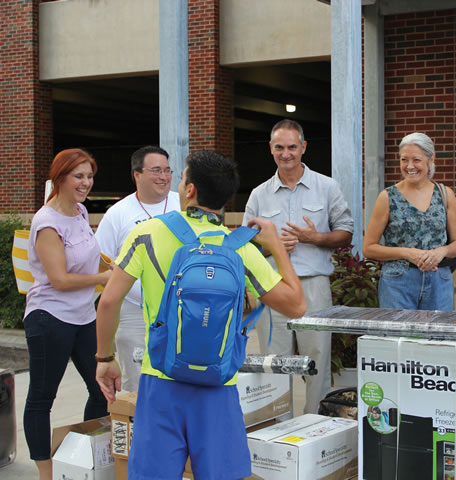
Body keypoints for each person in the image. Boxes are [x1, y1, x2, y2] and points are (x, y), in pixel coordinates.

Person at [95, 150, 306, 480]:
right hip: (218, 384)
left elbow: (108, 302)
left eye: (181, 178)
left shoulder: (146, 233)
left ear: (190, 190)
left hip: (161, 379)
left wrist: (105, 357)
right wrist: (277, 246)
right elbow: (296, 305)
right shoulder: (239, 248)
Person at [243, 119, 353, 415]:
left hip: (313, 285)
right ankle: (278, 425)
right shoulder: (258, 194)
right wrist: (272, 247)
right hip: (272, 287)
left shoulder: (327, 187)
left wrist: (312, 237)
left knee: (316, 356)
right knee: (274, 359)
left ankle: (315, 424)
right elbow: (245, 246)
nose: (286, 153)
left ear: (303, 147)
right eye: (279, 147)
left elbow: (346, 232)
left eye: (292, 147)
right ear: (271, 149)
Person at [23, 148, 111, 480]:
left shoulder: (79, 211)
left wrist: (107, 263)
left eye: (89, 176)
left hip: (84, 316)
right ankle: (46, 473)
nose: (86, 183)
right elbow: (59, 279)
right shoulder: (46, 222)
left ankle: (85, 455)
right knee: (42, 397)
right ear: (60, 178)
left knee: (102, 388)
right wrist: (102, 279)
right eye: (79, 176)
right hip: (50, 318)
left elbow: (86, 249)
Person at [95, 145, 180, 392]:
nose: (163, 177)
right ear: (137, 174)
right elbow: (103, 260)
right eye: (156, 170)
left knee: (178, 382)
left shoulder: (182, 204)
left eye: (167, 170)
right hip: (134, 314)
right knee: (138, 385)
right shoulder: (118, 214)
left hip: (179, 311)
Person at [363, 132, 456, 311]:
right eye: (404, 160)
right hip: (398, 280)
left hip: (439, 279)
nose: (410, 166)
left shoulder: (445, 194)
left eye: (416, 160)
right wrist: (408, 253)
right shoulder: (387, 197)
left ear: (431, 160)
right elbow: (369, 248)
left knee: (437, 336)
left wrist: (441, 251)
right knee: (399, 337)